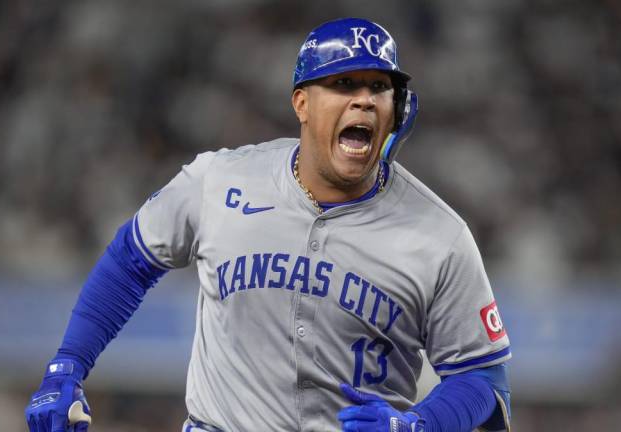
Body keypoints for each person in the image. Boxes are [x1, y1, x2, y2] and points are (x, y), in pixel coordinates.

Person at [25, 17, 511, 432]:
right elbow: (131, 259)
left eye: (378, 87)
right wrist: (68, 363)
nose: (364, 100)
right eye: (343, 84)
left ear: (397, 109)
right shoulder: (219, 181)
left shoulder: (441, 235)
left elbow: (483, 379)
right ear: (301, 103)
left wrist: (418, 426)